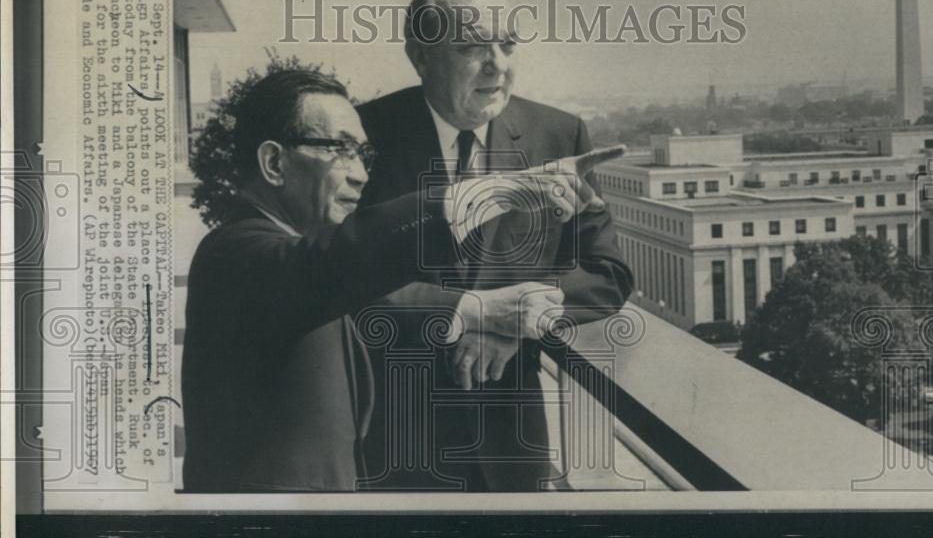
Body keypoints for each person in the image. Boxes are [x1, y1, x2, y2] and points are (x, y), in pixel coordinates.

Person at [181, 68, 616, 492]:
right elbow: (350, 255)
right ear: (274, 162)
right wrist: (503, 191)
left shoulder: (287, 260)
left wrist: (492, 317)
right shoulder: (235, 255)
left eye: (362, 154)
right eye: (340, 149)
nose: (361, 174)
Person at [358, 0, 634, 491]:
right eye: (471, 47)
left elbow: (608, 274)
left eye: (507, 44)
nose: (498, 65)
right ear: (420, 57)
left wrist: (526, 312)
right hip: (391, 444)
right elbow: (341, 278)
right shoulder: (362, 137)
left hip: (512, 444)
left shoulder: (561, 135)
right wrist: (472, 313)